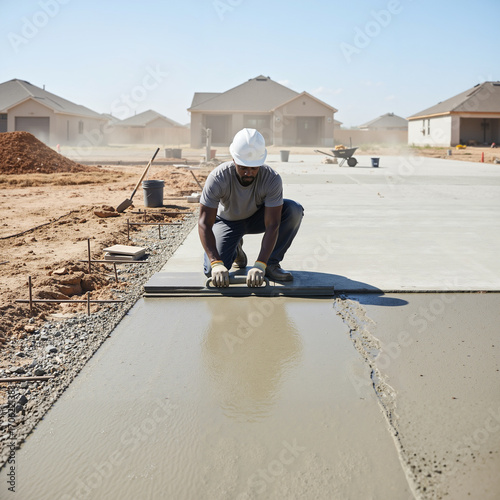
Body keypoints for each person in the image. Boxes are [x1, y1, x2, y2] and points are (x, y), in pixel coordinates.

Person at [198, 128, 303, 288]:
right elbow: (204, 223)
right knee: (213, 273)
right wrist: (215, 263)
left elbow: (273, 224)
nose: (248, 173)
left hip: (258, 218)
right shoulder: (218, 178)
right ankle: (236, 250)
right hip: (228, 222)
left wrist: (261, 264)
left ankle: (271, 264)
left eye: (254, 168)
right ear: (234, 160)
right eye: (243, 167)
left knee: (293, 210)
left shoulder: (271, 179)